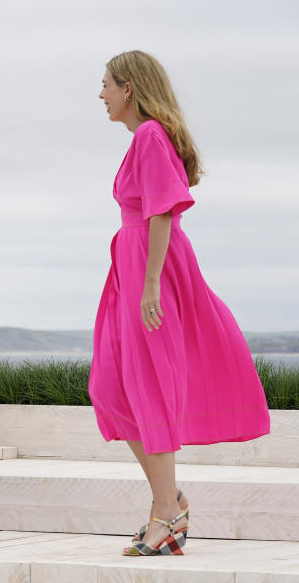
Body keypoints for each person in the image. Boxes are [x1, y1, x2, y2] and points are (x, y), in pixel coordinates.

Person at [90, 50, 270, 556]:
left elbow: (164, 212)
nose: (99, 94)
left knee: (148, 386)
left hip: (152, 267)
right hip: (131, 265)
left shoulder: (149, 136)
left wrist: (150, 285)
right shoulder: (142, 139)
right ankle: (171, 499)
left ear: (129, 88)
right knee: (110, 387)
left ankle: (164, 514)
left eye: (105, 84)